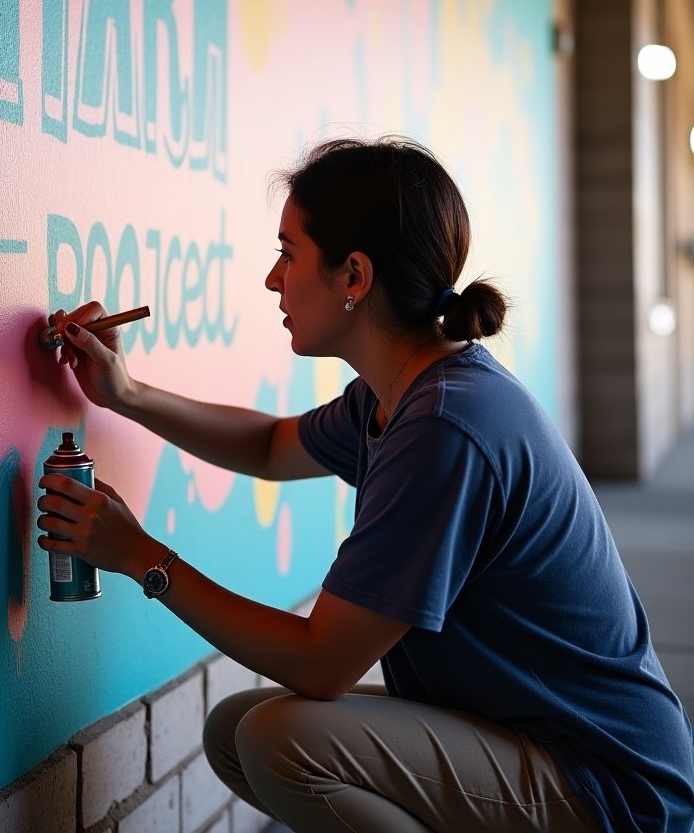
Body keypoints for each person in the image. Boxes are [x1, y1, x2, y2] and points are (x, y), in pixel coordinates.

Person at [36, 136, 694, 832]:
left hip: (611, 789)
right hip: (536, 741)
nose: (272, 279)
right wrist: (127, 393)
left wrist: (141, 556)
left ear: (354, 276)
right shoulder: (402, 392)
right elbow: (268, 445)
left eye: (288, 254)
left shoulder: (445, 426)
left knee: (280, 740)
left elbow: (322, 665)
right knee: (238, 730)